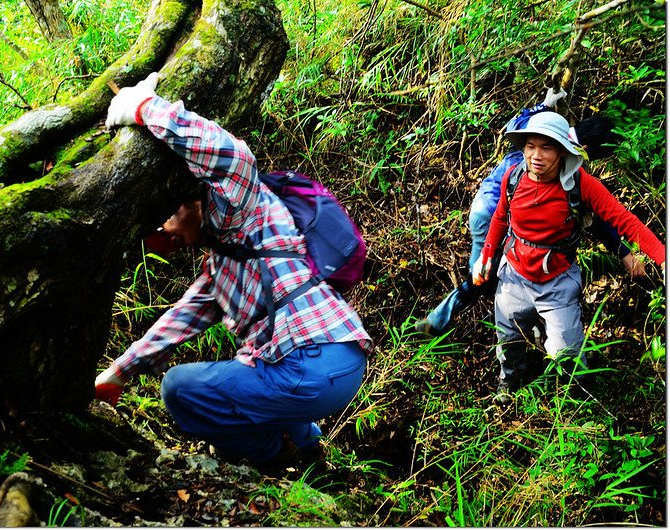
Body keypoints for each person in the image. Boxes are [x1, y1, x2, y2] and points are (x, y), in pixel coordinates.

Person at [94, 72, 373, 467]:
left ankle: (276, 458)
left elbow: (231, 156)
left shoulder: (241, 208)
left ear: (187, 201)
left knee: (179, 388)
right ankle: (310, 451)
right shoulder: (223, 260)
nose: (164, 235)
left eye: (165, 221)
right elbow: (178, 321)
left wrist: (142, 108)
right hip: (339, 361)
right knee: (248, 368)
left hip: (311, 363)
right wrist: (118, 373)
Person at [416, 88, 645, 337]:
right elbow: (598, 221)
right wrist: (623, 251)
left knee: (486, 273)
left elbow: (515, 123)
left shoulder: (537, 132)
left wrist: (543, 104)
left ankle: (515, 322)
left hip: (482, 206)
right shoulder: (557, 161)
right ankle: (438, 322)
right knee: (483, 274)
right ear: (587, 148)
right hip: (499, 215)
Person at [471, 111, 665, 403]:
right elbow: (500, 218)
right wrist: (485, 256)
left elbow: (625, 221)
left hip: (557, 282)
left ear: (563, 150)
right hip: (514, 275)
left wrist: (662, 257)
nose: (536, 156)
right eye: (530, 146)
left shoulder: (580, 184)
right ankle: (509, 385)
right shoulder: (513, 177)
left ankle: (576, 403)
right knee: (508, 341)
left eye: (546, 147)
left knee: (567, 353)